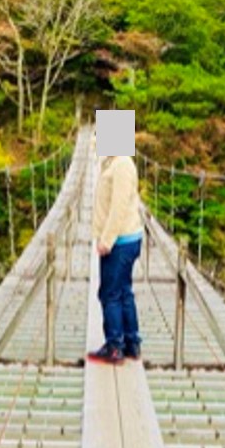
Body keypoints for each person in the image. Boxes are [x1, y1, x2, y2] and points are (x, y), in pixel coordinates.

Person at [87, 152, 143, 365]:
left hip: (120, 241)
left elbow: (119, 208)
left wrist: (106, 240)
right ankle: (131, 343)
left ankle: (114, 347)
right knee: (123, 291)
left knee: (110, 293)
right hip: (126, 238)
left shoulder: (121, 165)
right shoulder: (114, 161)